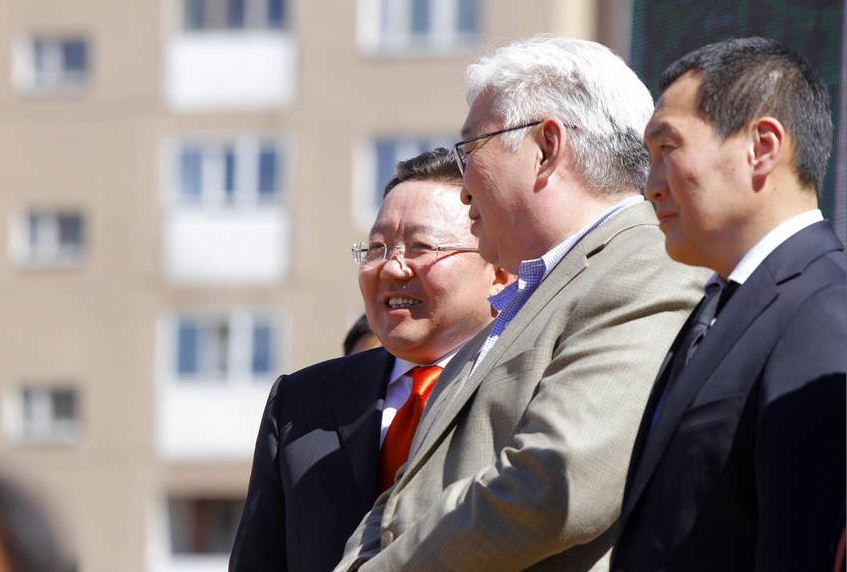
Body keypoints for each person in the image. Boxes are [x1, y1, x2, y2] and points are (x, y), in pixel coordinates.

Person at [337, 35, 708, 571]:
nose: (463, 188)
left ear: (546, 147)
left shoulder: (644, 267)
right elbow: (402, 498)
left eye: (470, 150)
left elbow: (555, 481)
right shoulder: (522, 298)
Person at [612, 37, 846, 571]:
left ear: (762, 147)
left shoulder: (821, 311)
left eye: (667, 148)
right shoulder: (722, 302)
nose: (650, 186)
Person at [229, 148, 508, 572]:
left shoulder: (531, 383)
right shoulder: (302, 401)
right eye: (377, 248)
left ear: (499, 270)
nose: (392, 268)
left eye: (421, 247)